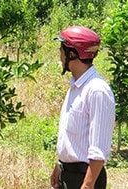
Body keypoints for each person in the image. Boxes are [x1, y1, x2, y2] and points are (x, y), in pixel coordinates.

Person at [50, 26, 115, 189]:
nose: (60, 55)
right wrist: (59, 166)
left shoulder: (97, 90)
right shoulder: (76, 87)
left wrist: (87, 185)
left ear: (72, 54)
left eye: (62, 50)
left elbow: (99, 149)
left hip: (84, 180)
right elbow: (74, 139)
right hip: (68, 176)